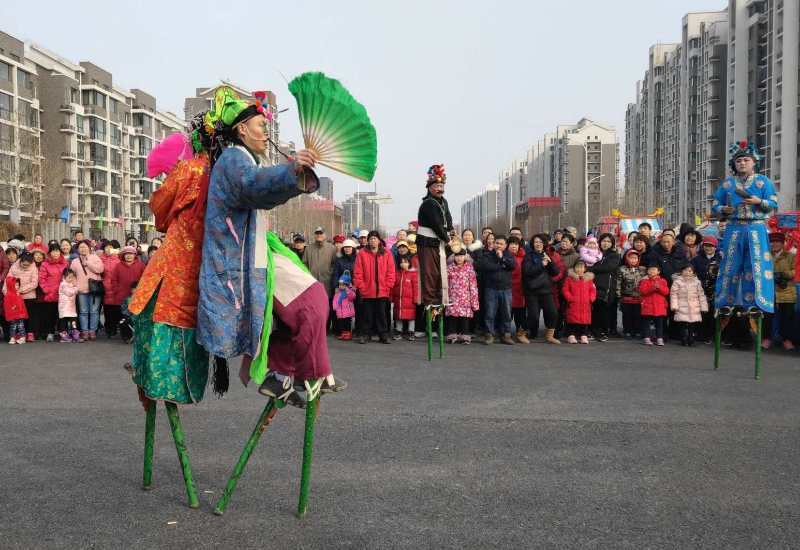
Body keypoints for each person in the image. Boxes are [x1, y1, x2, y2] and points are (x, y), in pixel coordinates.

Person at [712, 141, 779, 316]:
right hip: (733, 227)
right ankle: (725, 303)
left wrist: (759, 202)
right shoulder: (727, 184)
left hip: (756, 228)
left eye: (746, 160)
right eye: (739, 160)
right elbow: (715, 204)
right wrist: (722, 210)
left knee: (755, 266)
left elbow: (773, 203)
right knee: (730, 265)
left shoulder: (763, 182)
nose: (742, 163)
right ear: (734, 164)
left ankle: (756, 304)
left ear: (754, 162)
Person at [416, 164, 454, 308]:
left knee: (439, 274)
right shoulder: (428, 204)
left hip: (439, 243)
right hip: (427, 243)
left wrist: (451, 232)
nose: (440, 188)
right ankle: (430, 302)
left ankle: (439, 301)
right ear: (429, 187)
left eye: (441, 185)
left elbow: (448, 219)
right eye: (437, 185)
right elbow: (437, 225)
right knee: (430, 274)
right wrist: (448, 239)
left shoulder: (444, 201)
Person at [353, 230, 395, 344]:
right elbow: (357, 272)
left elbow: (391, 271)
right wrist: (361, 286)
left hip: (382, 290)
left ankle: (383, 335)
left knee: (382, 314)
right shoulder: (362, 253)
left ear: (379, 240)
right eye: (371, 238)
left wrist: (388, 285)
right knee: (367, 315)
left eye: (375, 238)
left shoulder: (387, 253)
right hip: (367, 290)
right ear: (368, 240)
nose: (373, 240)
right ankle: (366, 334)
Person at [475, 234, 515, 345]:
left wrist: (502, 258)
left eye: (501, 244)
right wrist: (501, 265)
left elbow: (512, 266)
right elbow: (485, 266)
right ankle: (489, 335)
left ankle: (506, 335)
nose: (498, 245)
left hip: (506, 289)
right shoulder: (487, 255)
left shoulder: (508, 255)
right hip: (491, 288)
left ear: (506, 245)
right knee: (490, 313)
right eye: (497, 243)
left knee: (506, 313)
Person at [522, 234, 560, 344]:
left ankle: (549, 336)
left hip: (546, 290)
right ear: (532, 244)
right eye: (536, 242)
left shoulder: (546, 255)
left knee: (553, 313)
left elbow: (555, 273)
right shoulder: (528, 256)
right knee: (533, 316)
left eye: (540, 242)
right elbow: (527, 271)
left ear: (544, 244)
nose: (538, 244)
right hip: (532, 290)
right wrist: (541, 264)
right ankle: (521, 333)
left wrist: (550, 263)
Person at [763, 232, 796, 350]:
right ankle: (766, 338)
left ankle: (787, 339)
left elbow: (795, 271)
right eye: (772, 242)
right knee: (767, 315)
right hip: (769, 290)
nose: (775, 244)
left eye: (778, 242)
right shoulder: (765, 256)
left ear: (783, 243)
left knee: (787, 317)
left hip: (787, 290)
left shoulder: (791, 256)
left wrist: (783, 274)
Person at [589, 233, 621, 341]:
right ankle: (593, 331)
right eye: (603, 241)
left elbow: (608, 267)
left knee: (604, 310)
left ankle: (603, 332)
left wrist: (592, 269)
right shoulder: (594, 253)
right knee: (594, 309)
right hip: (592, 285)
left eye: (608, 241)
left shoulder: (614, 255)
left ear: (612, 243)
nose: (605, 243)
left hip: (607, 286)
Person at [70, 240, 104, 341]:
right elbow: (72, 276)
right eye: (80, 247)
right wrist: (76, 285)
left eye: (85, 247)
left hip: (95, 290)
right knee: (83, 312)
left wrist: (88, 263)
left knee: (94, 311)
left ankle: (92, 331)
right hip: (81, 290)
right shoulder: (75, 261)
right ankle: (84, 331)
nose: (83, 249)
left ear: (89, 248)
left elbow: (100, 269)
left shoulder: (95, 258)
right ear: (78, 249)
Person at [445, 248, 479, 344]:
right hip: (452, 296)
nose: (459, 258)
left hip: (465, 297)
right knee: (452, 317)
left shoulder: (469, 268)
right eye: (457, 256)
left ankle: (465, 336)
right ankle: (452, 335)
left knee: (465, 318)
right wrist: (445, 297)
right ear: (454, 257)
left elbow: (473, 285)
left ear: (465, 257)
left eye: (461, 256)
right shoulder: (449, 268)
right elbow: (445, 284)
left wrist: (474, 300)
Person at [691, 236, 721, 343]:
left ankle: (713, 336)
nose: (708, 248)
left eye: (711, 246)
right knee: (702, 313)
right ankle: (701, 335)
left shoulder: (720, 259)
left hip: (716, 290)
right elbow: (692, 272)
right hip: (701, 289)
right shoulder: (696, 259)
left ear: (715, 247)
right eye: (706, 245)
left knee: (714, 314)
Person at [670, 264, 708, 346]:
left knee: (692, 324)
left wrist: (704, 306)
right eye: (685, 270)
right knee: (683, 323)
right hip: (681, 305)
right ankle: (684, 337)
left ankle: (691, 337)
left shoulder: (697, 282)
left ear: (693, 273)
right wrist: (674, 305)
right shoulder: (677, 282)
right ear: (682, 271)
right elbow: (674, 294)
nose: (687, 272)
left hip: (694, 306)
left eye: (690, 271)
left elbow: (701, 295)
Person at [38, 243, 68, 341]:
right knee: (50, 315)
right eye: (53, 251)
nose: (55, 253)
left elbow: (69, 277)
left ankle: (61, 332)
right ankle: (50, 332)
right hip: (50, 293)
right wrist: (47, 290)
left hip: (63, 293)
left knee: (62, 315)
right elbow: (42, 279)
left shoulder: (65, 263)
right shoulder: (45, 264)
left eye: (57, 251)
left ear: (60, 252)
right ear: (49, 253)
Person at [562, 260, 595, 344]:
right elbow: (565, 290)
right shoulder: (569, 279)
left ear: (585, 269)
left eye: (581, 267)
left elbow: (592, 290)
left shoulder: (588, 279)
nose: (579, 269)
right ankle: (571, 335)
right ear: (574, 268)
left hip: (585, 304)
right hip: (573, 303)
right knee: (572, 320)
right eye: (577, 267)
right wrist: (570, 298)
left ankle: (583, 335)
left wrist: (591, 298)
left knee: (584, 321)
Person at [616, 249, 646, 339]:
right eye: (631, 258)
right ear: (627, 258)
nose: (633, 260)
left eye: (635, 258)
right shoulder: (622, 269)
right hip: (626, 297)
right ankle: (627, 331)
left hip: (639, 297)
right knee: (627, 315)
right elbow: (618, 283)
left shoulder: (642, 270)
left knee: (637, 315)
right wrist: (618, 295)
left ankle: (637, 331)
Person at [639, 262, 669, 346]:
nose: (651, 271)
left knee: (659, 324)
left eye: (654, 270)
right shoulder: (644, 281)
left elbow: (666, 292)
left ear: (658, 271)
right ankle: (647, 338)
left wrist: (659, 287)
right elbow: (643, 291)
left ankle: (659, 338)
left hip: (659, 306)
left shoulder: (663, 281)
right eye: (650, 270)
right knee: (646, 324)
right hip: (648, 306)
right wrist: (653, 288)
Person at [391, 255, 419, 341]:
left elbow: (416, 287)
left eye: (405, 262)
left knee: (411, 317)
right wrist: (391, 297)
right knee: (398, 316)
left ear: (409, 263)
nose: (403, 264)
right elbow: (393, 286)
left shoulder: (413, 274)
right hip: (398, 300)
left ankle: (411, 332)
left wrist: (416, 299)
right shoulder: (397, 273)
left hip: (410, 301)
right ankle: (398, 331)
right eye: (402, 262)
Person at [304, 226, 336, 297]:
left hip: (327, 283)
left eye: (321, 233)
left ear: (325, 235)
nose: (319, 235)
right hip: (312, 282)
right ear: (314, 235)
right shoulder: (308, 249)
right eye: (317, 233)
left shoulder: (331, 248)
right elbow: (304, 264)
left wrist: (329, 273)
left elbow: (334, 264)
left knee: (327, 304)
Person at [508, 236, 528, 343]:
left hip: (520, 289)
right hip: (507, 288)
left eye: (516, 244)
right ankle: (505, 333)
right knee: (507, 313)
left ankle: (520, 333)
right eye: (511, 244)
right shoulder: (504, 256)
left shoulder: (524, 257)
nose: (514, 246)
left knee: (520, 313)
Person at [100, 240, 121, 338]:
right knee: (107, 310)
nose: (108, 249)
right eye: (106, 247)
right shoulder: (100, 259)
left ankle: (115, 327)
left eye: (111, 247)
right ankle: (109, 329)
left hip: (116, 287)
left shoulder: (119, 259)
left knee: (116, 309)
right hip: (104, 287)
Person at [3, 275, 28, 344]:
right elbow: (7, 305)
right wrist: (13, 307)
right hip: (13, 314)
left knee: (21, 326)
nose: (17, 287)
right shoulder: (9, 295)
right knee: (13, 326)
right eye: (15, 285)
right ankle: (12, 338)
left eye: (18, 285)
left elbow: (21, 304)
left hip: (19, 314)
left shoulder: (17, 294)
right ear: (11, 285)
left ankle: (22, 337)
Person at [58, 269, 80, 342]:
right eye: (69, 277)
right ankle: (63, 334)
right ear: (64, 277)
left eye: (72, 277)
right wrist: (76, 288)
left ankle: (74, 332)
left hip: (71, 307)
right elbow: (69, 293)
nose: (71, 279)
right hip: (64, 307)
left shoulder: (71, 284)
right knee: (63, 321)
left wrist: (74, 287)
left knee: (73, 320)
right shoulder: (63, 284)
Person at [332, 273, 356, 341]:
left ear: (346, 285)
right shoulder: (338, 292)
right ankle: (343, 334)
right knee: (341, 324)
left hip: (347, 313)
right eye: (339, 284)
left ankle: (348, 334)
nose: (340, 286)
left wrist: (347, 290)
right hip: (340, 312)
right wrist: (335, 307)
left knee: (347, 324)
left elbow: (352, 297)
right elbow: (335, 300)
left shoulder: (350, 291)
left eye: (342, 285)